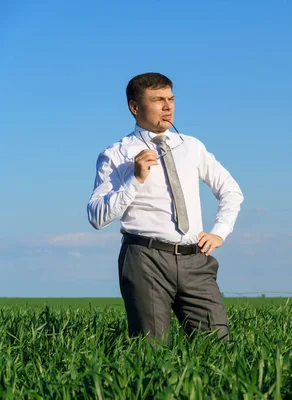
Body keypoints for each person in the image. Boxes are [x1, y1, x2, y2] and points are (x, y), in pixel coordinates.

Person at [87, 72, 243, 344]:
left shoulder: (191, 146)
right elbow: (97, 217)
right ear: (135, 107)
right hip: (145, 259)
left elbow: (231, 191)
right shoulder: (117, 154)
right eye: (158, 100)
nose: (168, 106)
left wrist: (220, 232)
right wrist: (134, 179)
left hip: (195, 259)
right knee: (151, 350)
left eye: (170, 99)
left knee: (219, 345)